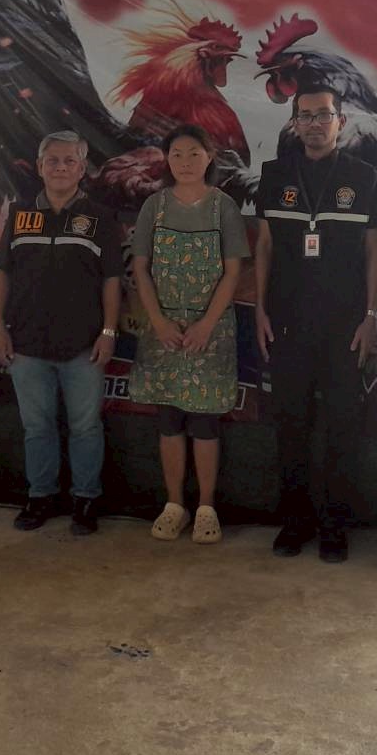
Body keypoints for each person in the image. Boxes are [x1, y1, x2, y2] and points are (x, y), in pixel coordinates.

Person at [254, 85, 377, 563]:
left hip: (346, 328)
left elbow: (375, 252)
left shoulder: (364, 177)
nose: (314, 123)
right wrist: (260, 309)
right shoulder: (275, 175)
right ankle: (294, 523)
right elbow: (264, 245)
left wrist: (371, 317)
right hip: (287, 324)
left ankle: (335, 527)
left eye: (323, 115)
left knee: (342, 428)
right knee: (290, 426)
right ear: (294, 123)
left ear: (340, 122)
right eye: (305, 115)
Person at [0, 131, 123, 536]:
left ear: (82, 169)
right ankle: (41, 496)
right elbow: (3, 274)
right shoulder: (19, 214)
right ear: (39, 166)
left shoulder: (100, 217)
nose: (61, 168)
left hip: (83, 345)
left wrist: (108, 331)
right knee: (37, 427)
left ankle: (86, 499)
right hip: (26, 344)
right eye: (53, 160)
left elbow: (112, 280)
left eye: (70, 161)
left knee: (85, 427)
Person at [129, 125, 249, 545]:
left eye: (193, 153)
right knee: (169, 420)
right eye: (176, 154)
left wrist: (205, 324)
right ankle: (174, 504)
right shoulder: (154, 206)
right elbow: (140, 268)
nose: (185, 162)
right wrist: (159, 322)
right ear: (166, 159)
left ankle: (206, 508)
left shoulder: (224, 208)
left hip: (209, 334)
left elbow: (233, 272)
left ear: (209, 157)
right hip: (163, 333)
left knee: (205, 421)